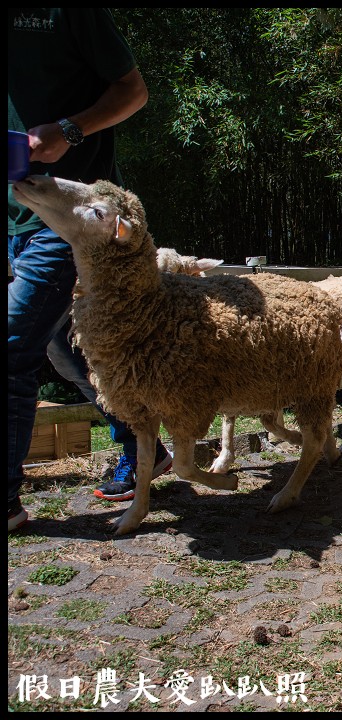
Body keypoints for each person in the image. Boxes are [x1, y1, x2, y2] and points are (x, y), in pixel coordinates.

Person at [8, 8, 171, 532]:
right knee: (62, 348)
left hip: (75, 219)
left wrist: (71, 131)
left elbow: (133, 89)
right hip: (12, 214)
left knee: (12, 347)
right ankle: (143, 444)